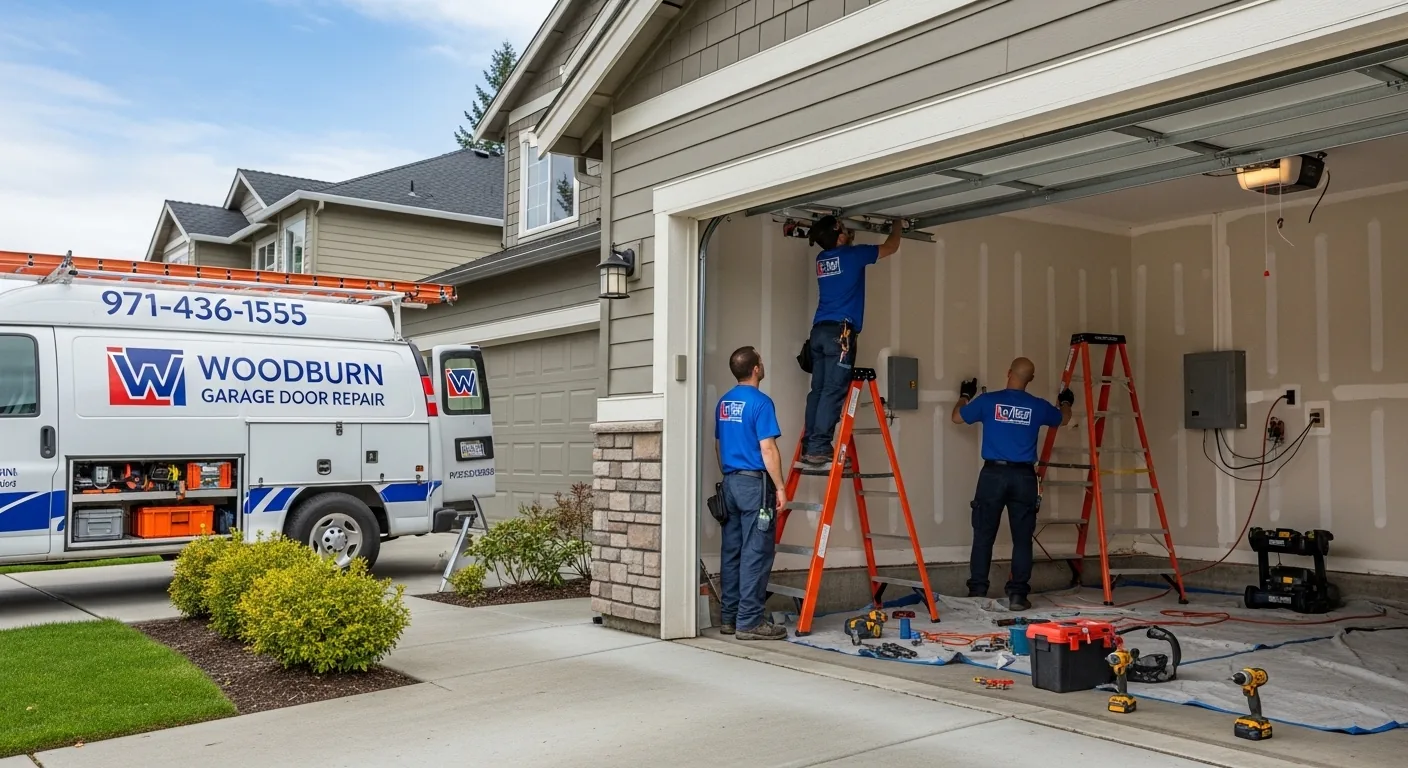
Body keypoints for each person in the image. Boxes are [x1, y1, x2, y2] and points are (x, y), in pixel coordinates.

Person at [950, 357, 1073, 611]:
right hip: (1024, 478)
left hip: (993, 476)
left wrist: (964, 395)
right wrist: (1066, 401)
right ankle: (1017, 596)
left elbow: (957, 417)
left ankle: (977, 592)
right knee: (1022, 539)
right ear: (1031, 379)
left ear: (1008, 372)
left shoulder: (987, 401)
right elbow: (1063, 419)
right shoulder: (1037, 407)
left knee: (983, 535)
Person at [801, 215, 905, 467]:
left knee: (818, 390)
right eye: (844, 230)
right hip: (841, 335)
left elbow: (843, 251)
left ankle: (811, 443)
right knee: (833, 390)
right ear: (839, 236)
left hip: (819, 332)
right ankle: (818, 447)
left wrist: (846, 237)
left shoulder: (822, 259)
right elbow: (891, 247)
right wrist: (898, 226)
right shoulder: (853, 255)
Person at [714, 346, 789, 640]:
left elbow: (718, 445)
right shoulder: (761, 402)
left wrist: (729, 473)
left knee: (732, 552)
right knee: (756, 553)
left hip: (730, 483)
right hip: (754, 486)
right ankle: (750, 622)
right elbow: (767, 448)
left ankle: (729, 619)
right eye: (761, 360)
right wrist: (780, 487)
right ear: (756, 369)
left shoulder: (723, 402)